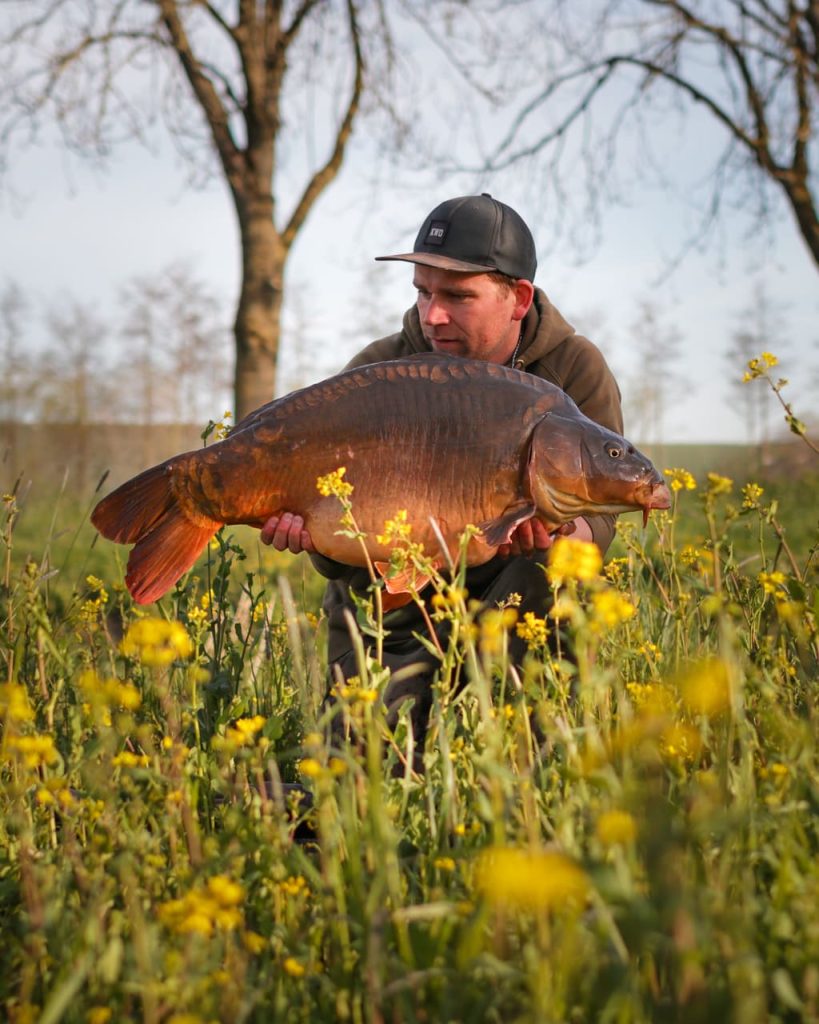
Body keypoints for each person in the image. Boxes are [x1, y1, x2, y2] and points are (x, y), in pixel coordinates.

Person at [260, 194, 623, 769]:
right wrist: (311, 537)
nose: (433, 315)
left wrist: (561, 537)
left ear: (517, 298)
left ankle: (524, 756)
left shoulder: (572, 370)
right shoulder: (380, 370)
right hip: (395, 606)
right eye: (424, 292)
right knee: (370, 784)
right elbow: (339, 562)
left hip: (515, 601)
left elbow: (601, 516)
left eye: (457, 295)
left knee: (522, 767)